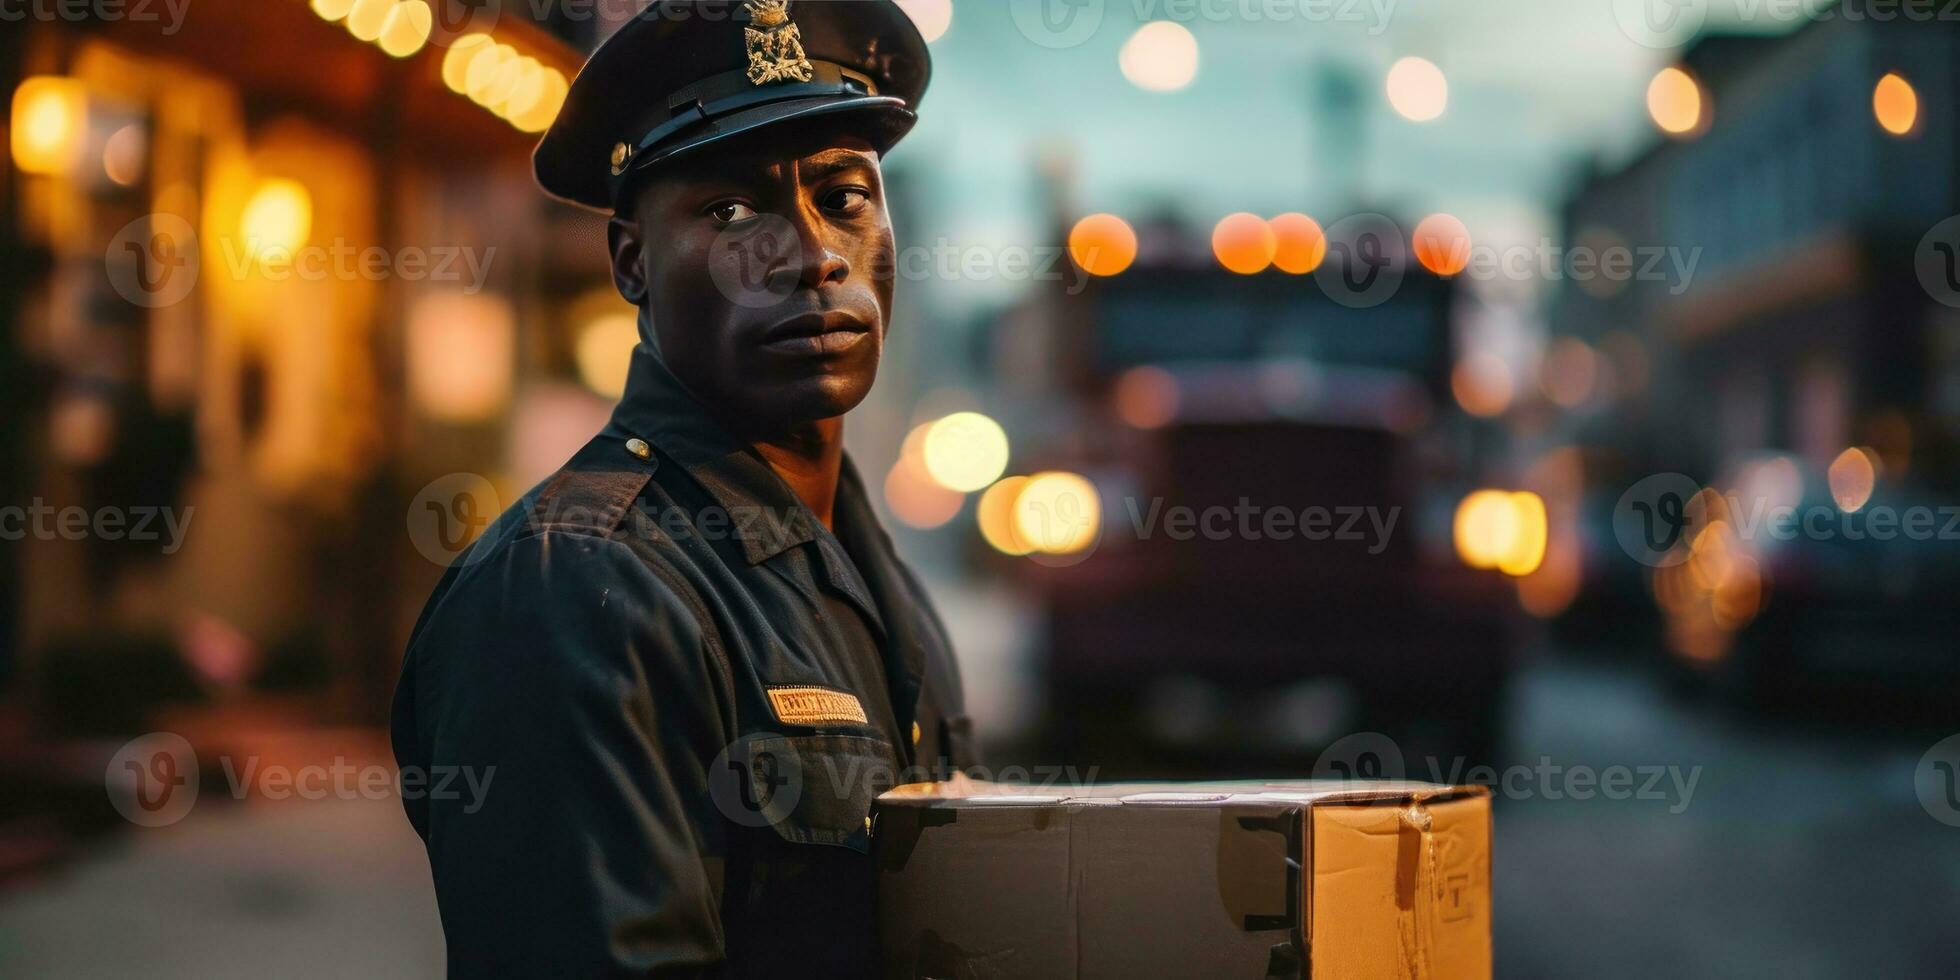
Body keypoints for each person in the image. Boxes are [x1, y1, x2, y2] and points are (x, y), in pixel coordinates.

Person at [389, 2, 975, 975]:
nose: (810, 254)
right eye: (730, 210)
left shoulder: (874, 580)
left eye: (842, 196)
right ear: (632, 262)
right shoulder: (575, 593)